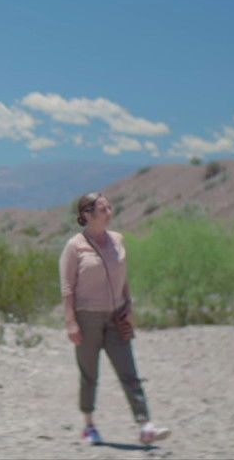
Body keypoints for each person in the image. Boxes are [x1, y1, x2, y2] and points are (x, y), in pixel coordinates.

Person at [59, 191, 171, 446]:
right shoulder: (74, 246)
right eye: (103, 209)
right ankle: (89, 425)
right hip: (86, 319)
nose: (109, 213)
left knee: (129, 371)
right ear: (87, 214)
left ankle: (145, 425)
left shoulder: (118, 240)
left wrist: (128, 307)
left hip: (116, 316)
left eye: (110, 208)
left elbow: (123, 277)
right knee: (89, 374)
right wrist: (71, 322)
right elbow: (67, 288)